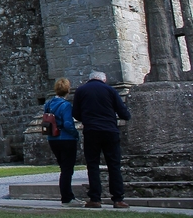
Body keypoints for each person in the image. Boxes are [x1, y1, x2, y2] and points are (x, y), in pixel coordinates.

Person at [72, 71, 131, 208]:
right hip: (110, 130)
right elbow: (122, 111)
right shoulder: (110, 90)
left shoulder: (81, 90)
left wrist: (87, 119)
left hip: (91, 130)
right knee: (114, 165)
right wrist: (126, 116)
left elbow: (75, 112)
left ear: (90, 79)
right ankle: (118, 199)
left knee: (93, 165)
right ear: (103, 79)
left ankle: (95, 198)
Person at [44, 77, 80, 206]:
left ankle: (67, 196)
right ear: (67, 90)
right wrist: (76, 134)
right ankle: (67, 198)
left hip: (52, 138)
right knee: (67, 169)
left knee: (63, 168)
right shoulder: (65, 105)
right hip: (66, 139)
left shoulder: (48, 104)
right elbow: (68, 124)